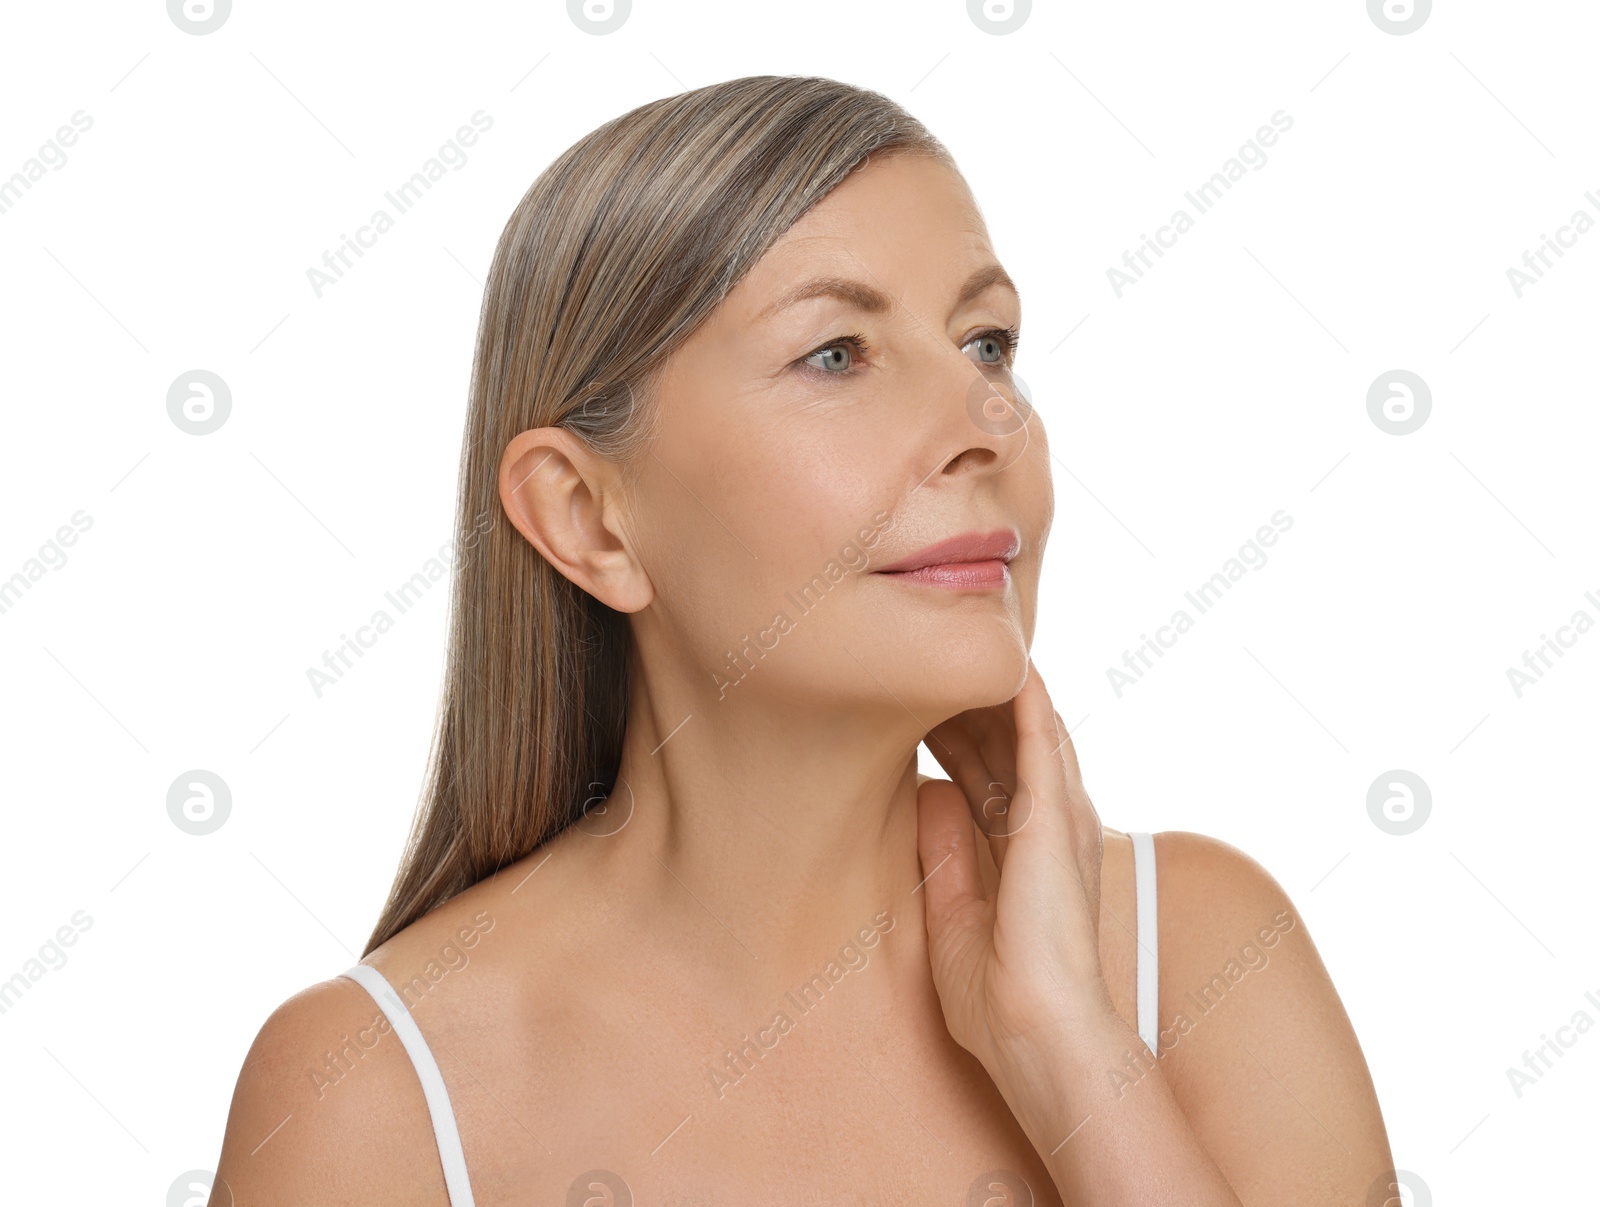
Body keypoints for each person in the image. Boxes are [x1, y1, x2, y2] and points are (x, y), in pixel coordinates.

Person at [212, 75, 1395, 1204]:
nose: (987, 420)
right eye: (837, 353)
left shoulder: (1195, 954)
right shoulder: (369, 1095)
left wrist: (1072, 1055)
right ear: (588, 519)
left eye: (986, 342)